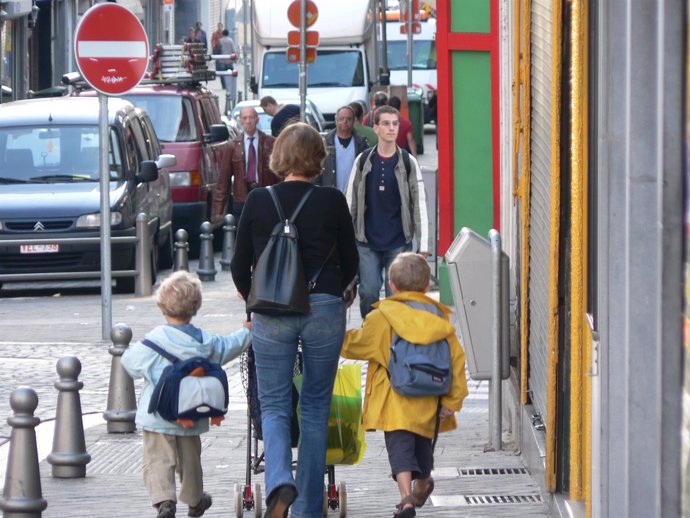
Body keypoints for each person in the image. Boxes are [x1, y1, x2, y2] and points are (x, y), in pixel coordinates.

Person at [230, 123, 359, 518]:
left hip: (271, 311)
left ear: (279, 157)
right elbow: (352, 262)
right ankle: (308, 508)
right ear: (318, 158)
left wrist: (250, 300)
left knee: (273, 405)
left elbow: (238, 266)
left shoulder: (258, 200)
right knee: (316, 407)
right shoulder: (333, 201)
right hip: (323, 308)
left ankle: (279, 481)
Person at [341, 252, 468, 518]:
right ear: (425, 286)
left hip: (393, 399)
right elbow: (455, 359)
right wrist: (451, 402)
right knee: (423, 448)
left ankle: (406, 497)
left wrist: (333, 331)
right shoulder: (439, 318)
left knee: (399, 450)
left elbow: (356, 345)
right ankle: (422, 483)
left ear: (392, 285)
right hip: (429, 399)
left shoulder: (381, 318)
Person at [121, 271, 252, 518]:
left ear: (162, 308)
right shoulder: (205, 341)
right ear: (196, 308)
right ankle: (194, 500)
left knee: (158, 459)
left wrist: (153, 372)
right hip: (193, 413)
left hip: (158, 415)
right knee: (191, 462)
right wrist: (247, 332)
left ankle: (164, 501)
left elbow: (130, 363)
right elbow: (228, 346)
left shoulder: (154, 341)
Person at [345, 105, 431, 319]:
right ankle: (371, 329)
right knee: (369, 292)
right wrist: (344, 240)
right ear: (375, 128)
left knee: (397, 294)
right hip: (366, 241)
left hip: (398, 240)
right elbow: (350, 202)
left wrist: (423, 245)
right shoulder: (363, 161)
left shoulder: (407, 162)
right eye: (386, 123)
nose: (392, 128)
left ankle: (395, 336)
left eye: (395, 123)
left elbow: (419, 203)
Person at [212, 106, 277, 222]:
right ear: (240, 121)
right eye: (245, 118)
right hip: (242, 198)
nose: (248, 121)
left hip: (265, 196)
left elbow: (279, 174)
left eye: (251, 117)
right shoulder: (233, 146)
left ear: (257, 119)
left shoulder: (270, 142)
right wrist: (219, 210)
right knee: (242, 234)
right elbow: (224, 179)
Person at [317, 105, 368, 192]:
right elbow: (317, 170)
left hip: (353, 195)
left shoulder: (361, 144)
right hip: (330, 195)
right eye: (341, 118)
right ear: (336, 120)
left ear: (353, 121)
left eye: (349, 119)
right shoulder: (324, 143)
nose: (345, 121)